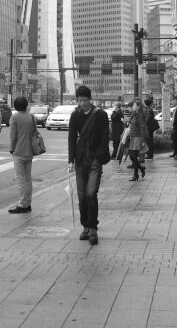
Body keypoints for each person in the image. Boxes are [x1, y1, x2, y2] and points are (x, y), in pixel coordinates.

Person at [68, 85, 110, 245]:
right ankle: (85, 226)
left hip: (94, 160)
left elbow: (105, 137)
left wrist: (99, 157)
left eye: (85, 100)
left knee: (91, 194)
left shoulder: (100, 115)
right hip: (80, 160)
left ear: (90, 99)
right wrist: (70, 161)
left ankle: (93, 228)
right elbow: (71, 138)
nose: (82, 103)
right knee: (81, 196)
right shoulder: (75, 115)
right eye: (79, 100)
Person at [8, 96, 36, 213]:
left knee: (20, 179)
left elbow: (13, 136)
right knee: (28, 178)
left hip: (18, 151)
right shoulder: (31, 116)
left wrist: (11, 148)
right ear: (26, 105)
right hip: (30, 151)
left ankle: (22, 204)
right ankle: (28, 202)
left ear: (15, 106)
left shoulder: (14, 117)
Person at [127, 99, 146, 181]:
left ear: (138, 107)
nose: (132, 106)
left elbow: (142, 128)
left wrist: (143, 140)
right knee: (132, 157)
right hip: (132, 137)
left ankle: (136, 174)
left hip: (138, 138)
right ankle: (141, 169)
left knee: (133, 156)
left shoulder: (140, 115)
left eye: (134, 105)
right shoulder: (134, 114)